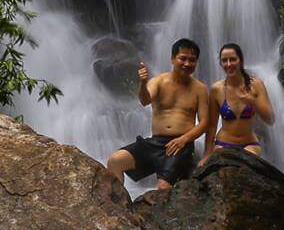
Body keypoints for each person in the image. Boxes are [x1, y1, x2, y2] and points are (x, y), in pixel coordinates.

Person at [106, 37, 207, 188]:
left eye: (192, 60)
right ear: (173, 59)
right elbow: (145, 100)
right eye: (182, 58)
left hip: (180, 146)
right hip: (155, 143)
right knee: (115, 161)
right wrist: (143, 83)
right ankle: (119, 201)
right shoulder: (159, 81)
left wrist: (184, 139)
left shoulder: (200, 89)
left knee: (162, 187)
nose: (187, 64)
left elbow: (204, 122)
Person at [203, 41, 274, 160]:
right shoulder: (216, 89)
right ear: (220, 63)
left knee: (247, 163)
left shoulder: (256, 85)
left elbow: (270, 119)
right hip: (223, 143)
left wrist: (253, 103)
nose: (228, 64)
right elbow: (212, 126)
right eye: (224, 60)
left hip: (249, 143)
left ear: (240, 61)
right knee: (222, 167)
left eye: (232, 59)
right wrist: (207, 153)